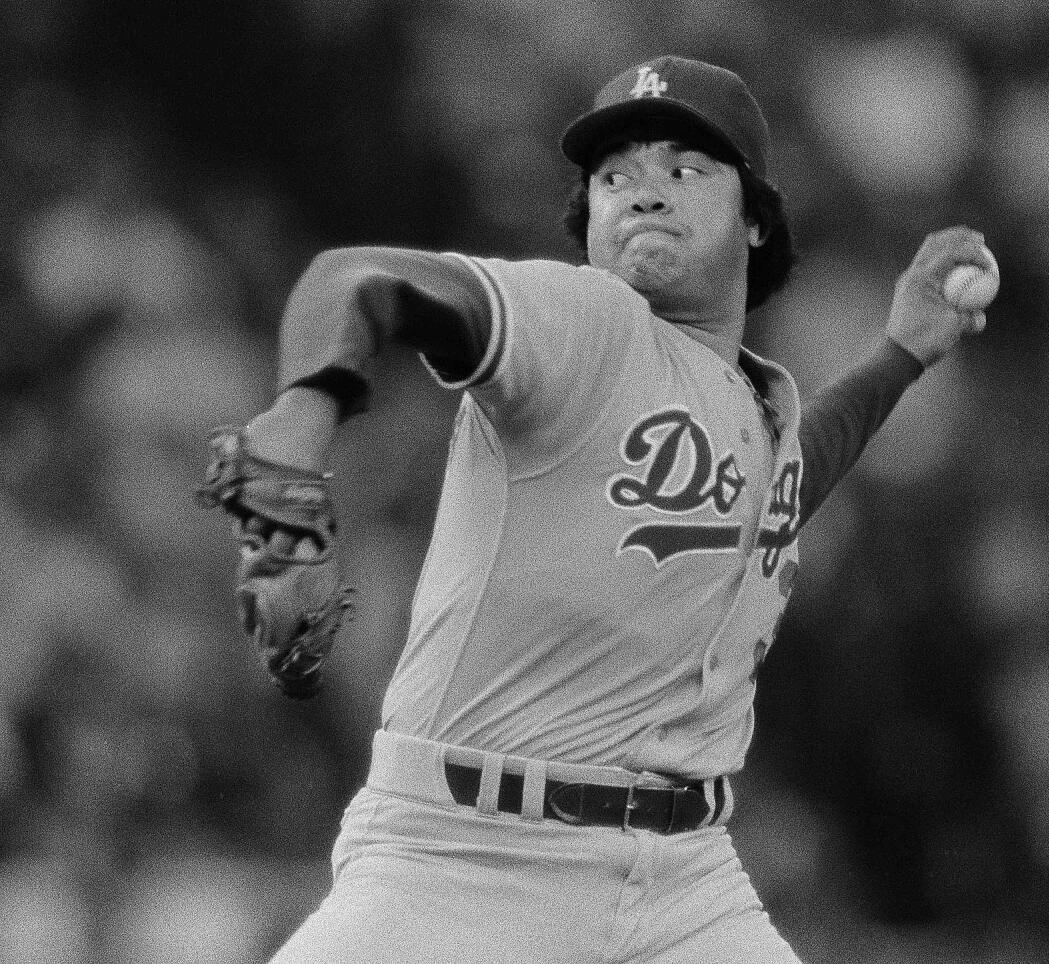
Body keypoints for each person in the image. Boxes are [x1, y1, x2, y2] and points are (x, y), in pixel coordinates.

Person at [216, 55, 996, 964]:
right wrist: (300, 432)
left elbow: (780, 488)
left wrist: (899, 355)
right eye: (614, 175)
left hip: (687, 885)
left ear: (754, 219)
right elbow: (354, 282)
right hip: (464, 865)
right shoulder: (587, 323)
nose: (644, 191)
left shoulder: (755, 407)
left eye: (685, 168)